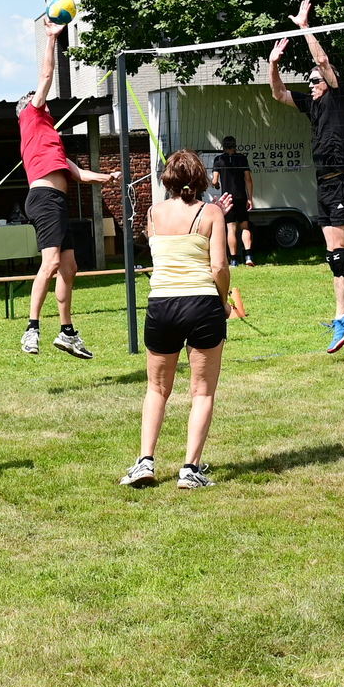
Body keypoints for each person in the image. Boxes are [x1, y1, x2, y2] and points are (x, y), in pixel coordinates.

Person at [268, 0, 344, 357]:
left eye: (315, 80)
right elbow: (278, 93)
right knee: (333, 257)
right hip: (324, 182)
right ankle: (341, 317)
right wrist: (273, 64)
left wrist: (304, 28)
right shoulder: (312, 105)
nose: (312, 84)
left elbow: (323, 61)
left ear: (328, 82)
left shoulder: (340, 98)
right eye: (310, 81)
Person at [119, 150, 231, 489]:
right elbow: (219, 267)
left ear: (167, 179)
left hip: (162, 304)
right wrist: (223, 302)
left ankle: (145, 461)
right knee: (202, 391)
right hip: (202, 304)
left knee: (156, 388)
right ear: (200, 179)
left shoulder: (153, 213)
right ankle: (190, 469)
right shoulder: (211, 212)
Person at [17, 19, 120, 359]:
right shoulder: (32, 118)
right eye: (37, 98)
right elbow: (46, 76)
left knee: (69, 267)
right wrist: (51, 39)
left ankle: (67, 332)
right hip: (45, 200)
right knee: (49, 264)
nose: (42, 99)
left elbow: (77, 174)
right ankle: (31, 329)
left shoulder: (50, 138)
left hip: (56, 201)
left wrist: (108, 177)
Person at [212, 136, 256, 267]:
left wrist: (216, 185)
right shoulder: (242, 158)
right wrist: (250, 198)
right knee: (245, 227)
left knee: (231, 229)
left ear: (223, 146)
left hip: (227, 199)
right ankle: (248, 257)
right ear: (235, 145)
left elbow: (214, 181)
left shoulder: (218, 160)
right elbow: (248, 179)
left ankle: (234, 260)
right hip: (241, 196)